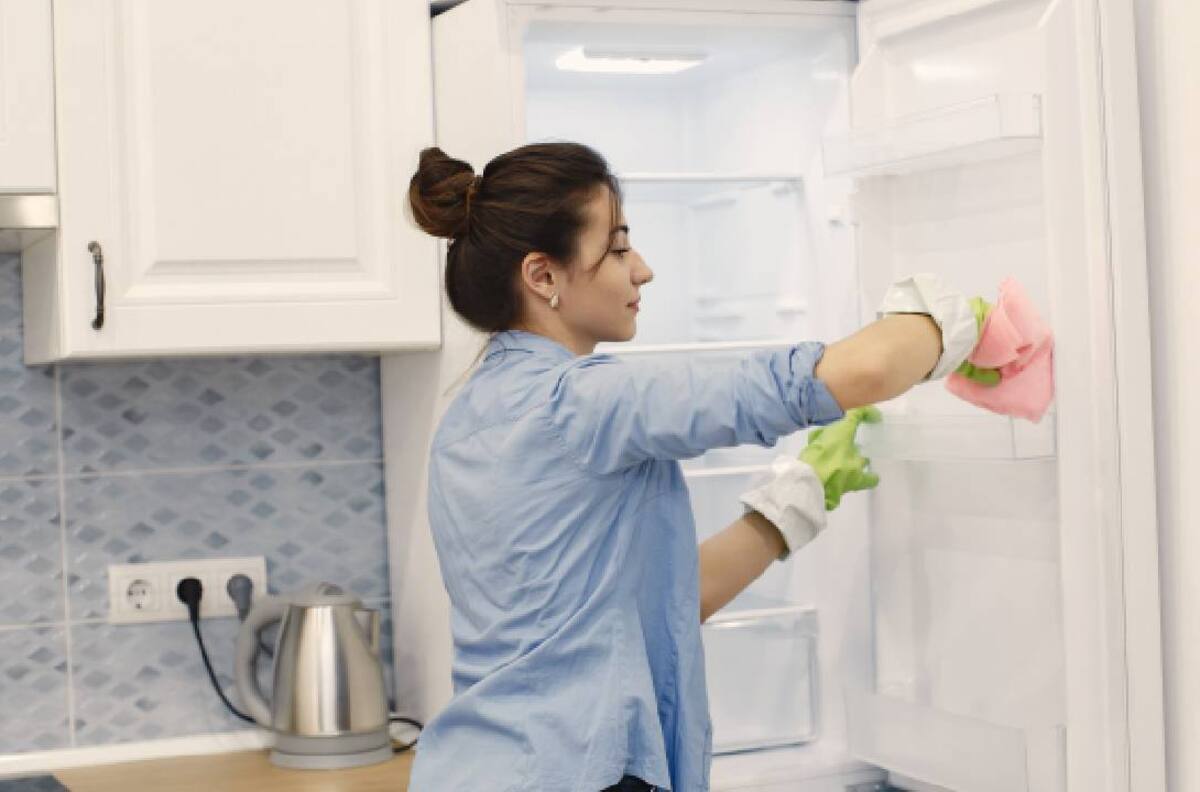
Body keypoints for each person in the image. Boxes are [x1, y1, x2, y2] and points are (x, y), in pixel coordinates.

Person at [404, 142, 985, 791]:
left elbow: (658, 603)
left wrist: (797, 500)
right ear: (543, 277)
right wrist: (954, 320)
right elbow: (856, 371)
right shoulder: (585, 402)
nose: (642, 270)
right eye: (619, 247)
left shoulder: (468, 415)